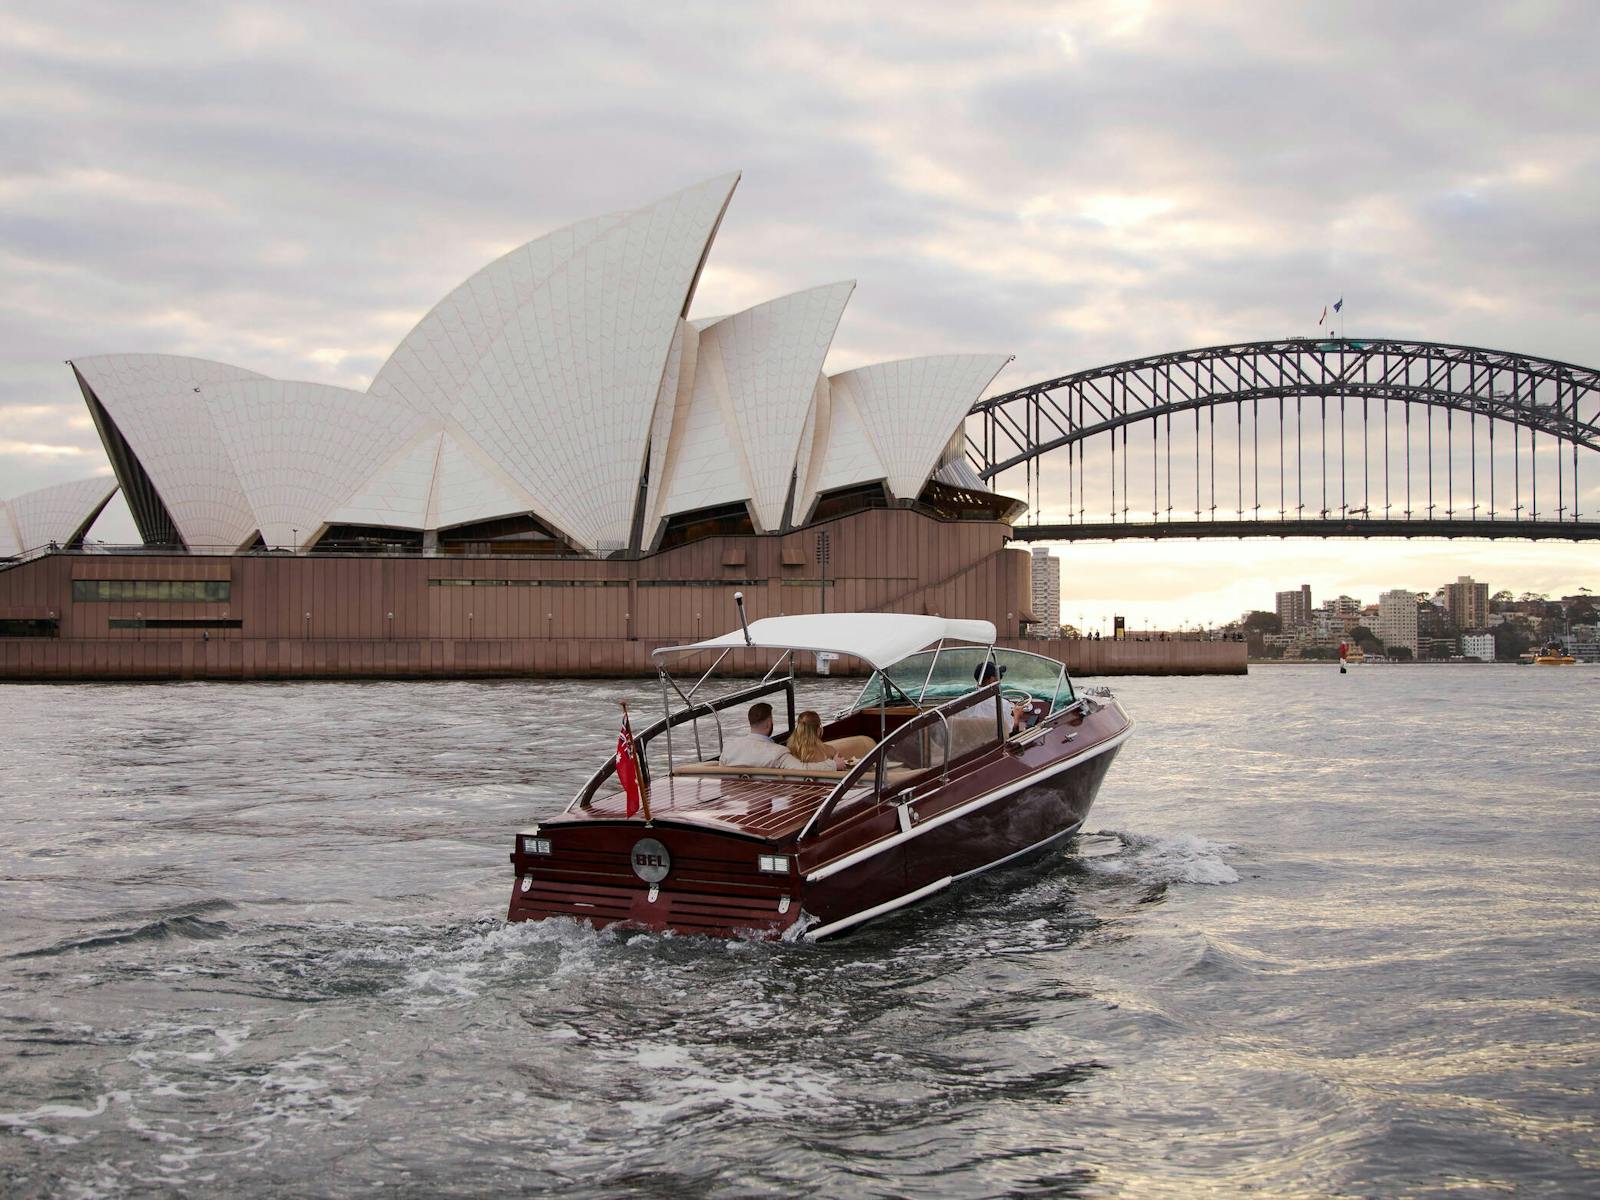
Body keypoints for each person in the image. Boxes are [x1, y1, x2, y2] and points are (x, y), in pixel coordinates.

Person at [720, 702, 846, 770]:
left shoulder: (728, 748)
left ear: (750, 722)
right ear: (769, 724)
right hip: (768, 797)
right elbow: (803, 769)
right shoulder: (778, 753)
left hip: (736, 800)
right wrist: (834, 765)